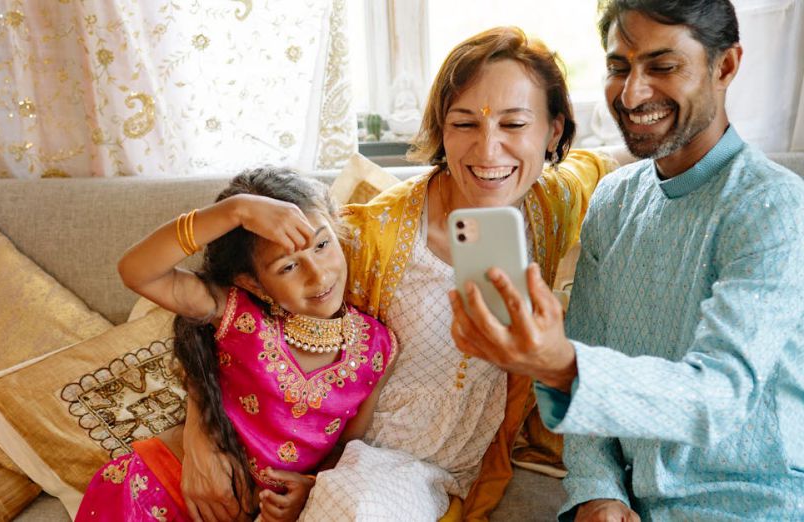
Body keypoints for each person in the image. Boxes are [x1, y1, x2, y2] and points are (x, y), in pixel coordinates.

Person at [179, 27, 630, 521]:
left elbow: (621, 167)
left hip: (469, 471)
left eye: (514, 123)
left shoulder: (558, 198)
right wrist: (200, 432)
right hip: (373, 465)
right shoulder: (370, 234)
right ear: (441, 129)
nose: (488, 150)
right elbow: (229, 308)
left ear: (555, 131)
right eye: (465, 124)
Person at [449, 1, 804, 520]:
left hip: (753, 505)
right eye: (619, 67)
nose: (632, 93)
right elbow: (587, 364)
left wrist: (560, 363)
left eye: (662, 67)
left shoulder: (772, 207)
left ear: (724, 67)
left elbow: (719, 397)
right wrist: (597, 489)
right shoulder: (614, 200)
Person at [76, 168, 397, 522]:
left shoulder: (378, 348)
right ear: (254, 284)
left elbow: (345, 449)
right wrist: (237, 210)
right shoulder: (237, 313)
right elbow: (136, 271)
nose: (318, 275)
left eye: (322, 245)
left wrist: (309, 487)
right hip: (159, 485)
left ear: (337, 230)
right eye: (288, 266)